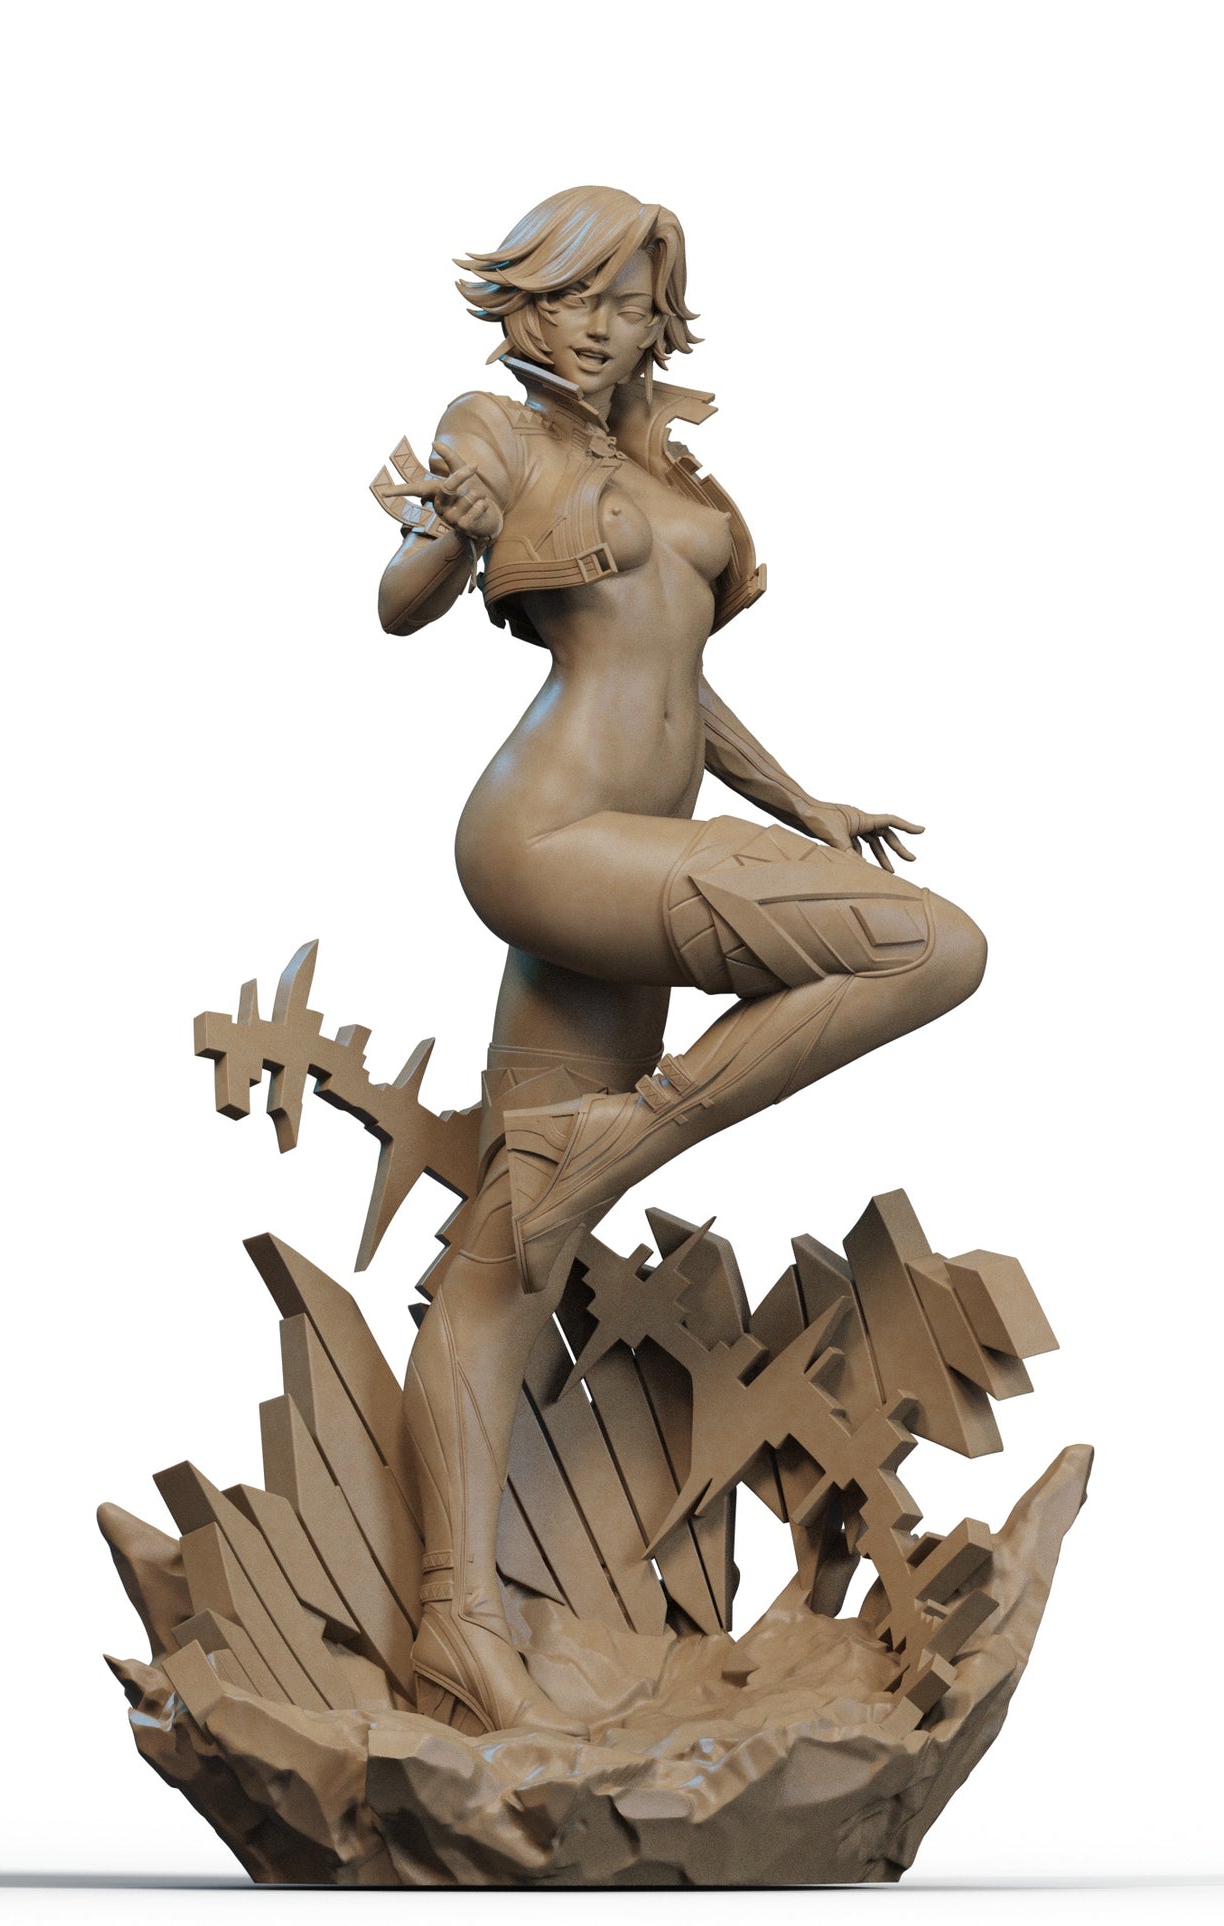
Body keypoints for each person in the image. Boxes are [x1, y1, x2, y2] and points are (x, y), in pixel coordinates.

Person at [374, 186, 986, 1736]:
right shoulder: (489, 432)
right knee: (932, 947)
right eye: (574, 294)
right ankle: (630, 1135)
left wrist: (799, 804)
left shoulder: (660, 469)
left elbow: (674, 681)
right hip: (546, 836)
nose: (600, 325)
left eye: (628, 300)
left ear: (661, 319)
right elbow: (401, 601)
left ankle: (450, 1627)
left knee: (513, 1242)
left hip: (632, 857)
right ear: (522, 301)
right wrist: (439, 536)